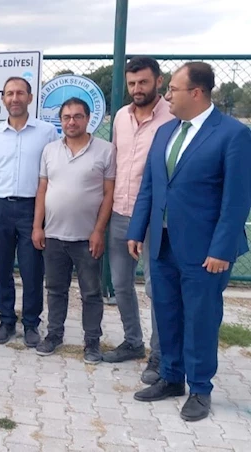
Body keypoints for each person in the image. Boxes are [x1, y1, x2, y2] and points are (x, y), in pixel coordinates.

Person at [129, 62, 251, 422]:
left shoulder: (232, 134)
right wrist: (137, 230)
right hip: (163, 242)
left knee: (200, 319)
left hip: (205, 251)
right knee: (167, 311)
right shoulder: (165, 132)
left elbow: (236, 199)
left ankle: (200, 388)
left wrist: (222, 249)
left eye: (173, 90)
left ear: (196, 93)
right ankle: (171, 377)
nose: (167, 96)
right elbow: (150, 186)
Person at [103, 57, 174, 384]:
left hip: (157, 218)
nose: (137, 89)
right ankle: (133, 342)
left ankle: (160, 355)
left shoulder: (173, 117)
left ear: (158, 81)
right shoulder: (120, 116)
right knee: (120, 284)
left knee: (157, 289)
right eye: (132, 83)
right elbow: (116, 162)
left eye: (143, 82)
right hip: (120, 212)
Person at [31, 97, 116, 363]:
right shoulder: (49, 150)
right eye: (66, 117)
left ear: (88, 119)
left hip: (87, 237)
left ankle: (92, 342)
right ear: (60, 121)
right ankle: (54, 335)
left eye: (78, 116)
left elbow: (109, 193)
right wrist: (37, 226)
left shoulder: (106, 150)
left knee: (91, 293)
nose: (72, 122)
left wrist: (99, 231)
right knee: (55, 289)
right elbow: (42, 189)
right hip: (54, 235)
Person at [0, 77, 58, 347]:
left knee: (32, 269)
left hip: (32, 208)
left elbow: (52, 174)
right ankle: (6, 320)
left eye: (20, 93)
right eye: (9, 93)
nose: (14, 98)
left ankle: (31, 323)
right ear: (3, 98)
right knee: (1, 269)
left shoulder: (46, 132)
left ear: (30, 98)